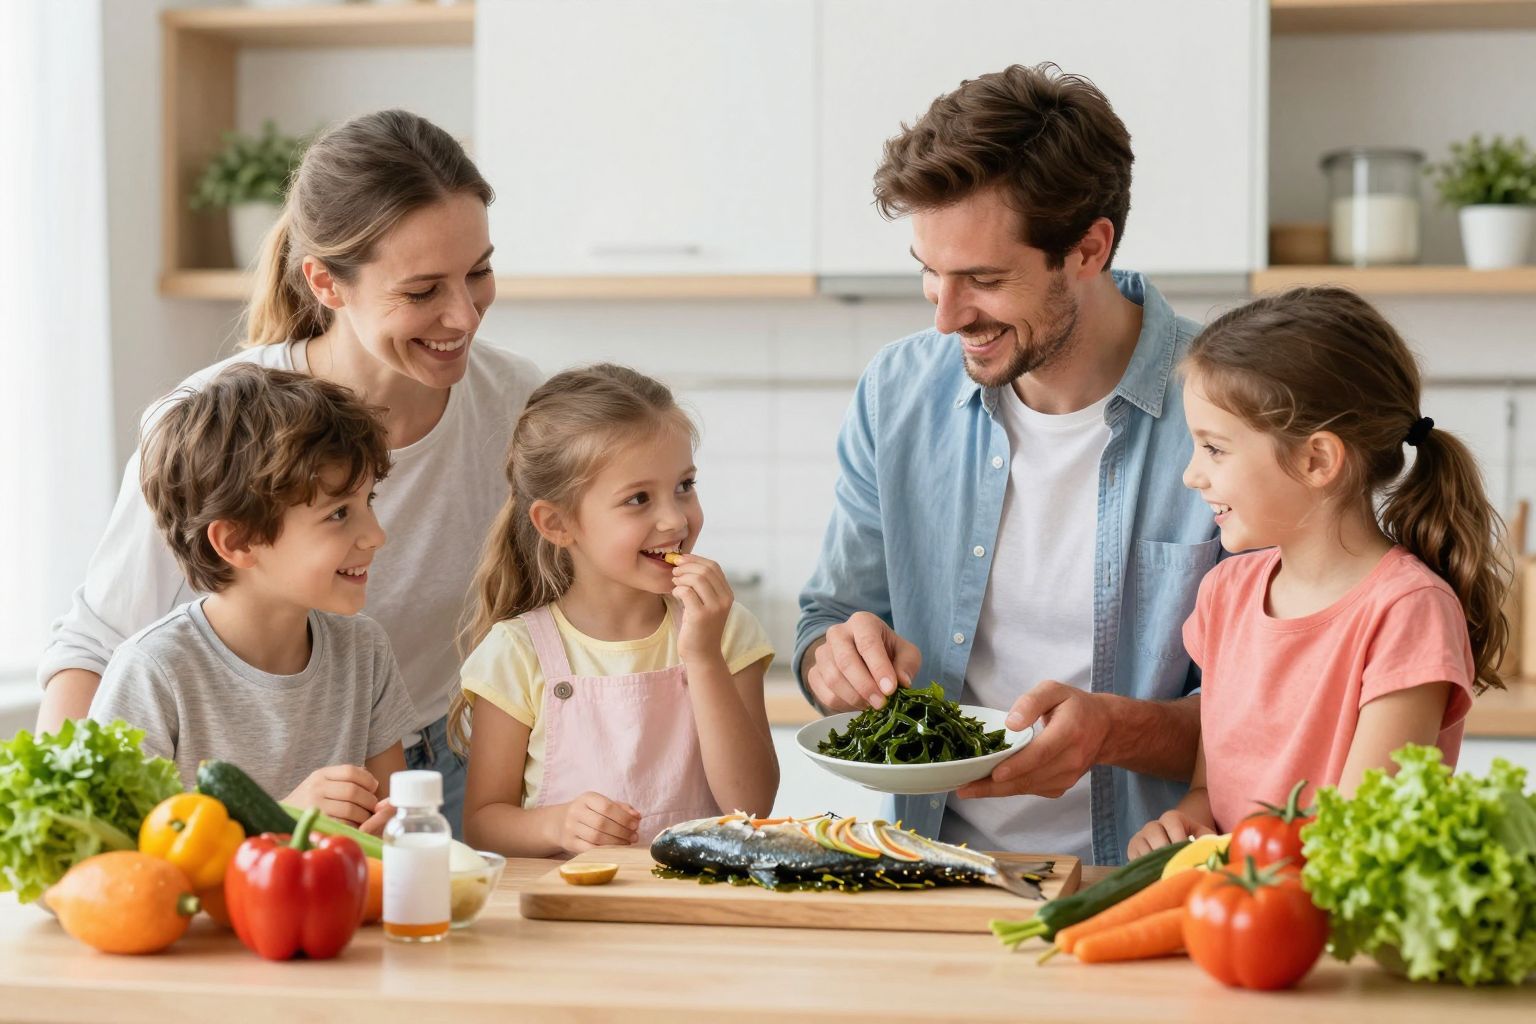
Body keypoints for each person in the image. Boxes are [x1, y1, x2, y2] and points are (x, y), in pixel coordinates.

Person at [36, 109, 542, 837]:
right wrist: (69, 837)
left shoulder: (514, 403)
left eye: (480, 272)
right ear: (326, 284)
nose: (463, 315)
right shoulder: (216, 419)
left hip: (455, 761)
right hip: (285, 781)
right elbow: (94, 643)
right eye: (423, 290)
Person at [795, 64, 1221, 865]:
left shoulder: (1234, 406)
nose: (947, 315)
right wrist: (837, 662)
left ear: (1089, 248)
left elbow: (1283, 708)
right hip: (936, 869)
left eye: (984, 280)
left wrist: (1115, 731)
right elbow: (828, 617)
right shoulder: (897, 391)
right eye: (929, 270)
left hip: (1152, 883)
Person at [1127, 287, 1509, 858]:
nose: (1192, 475)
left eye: (1214, 449)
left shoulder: (1408, 611)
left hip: (1334, 936)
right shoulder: (1225, 593)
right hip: (1240, 917)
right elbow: (1211, 789)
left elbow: (1361, 838)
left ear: (1317, 460)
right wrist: (1184, 824)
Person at [455, 364, 778, 858]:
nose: (674, 519)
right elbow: (483, 824)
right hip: (568, 916)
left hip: (698, 909)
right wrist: (555, 827)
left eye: (684, 486)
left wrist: (704, 656)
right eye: (638, 499)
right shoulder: (518, 653)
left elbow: (752, 806)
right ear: (558, 523)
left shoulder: (726, 630)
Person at [89, 365, 415, 832]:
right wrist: (284, 818)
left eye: (370, 502)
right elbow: (119, 861)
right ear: (238, 541)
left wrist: (388, 826)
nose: (376, 535)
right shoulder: (153, 670)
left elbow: (395, 828)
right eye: (340, 513)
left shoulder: (364, 650)